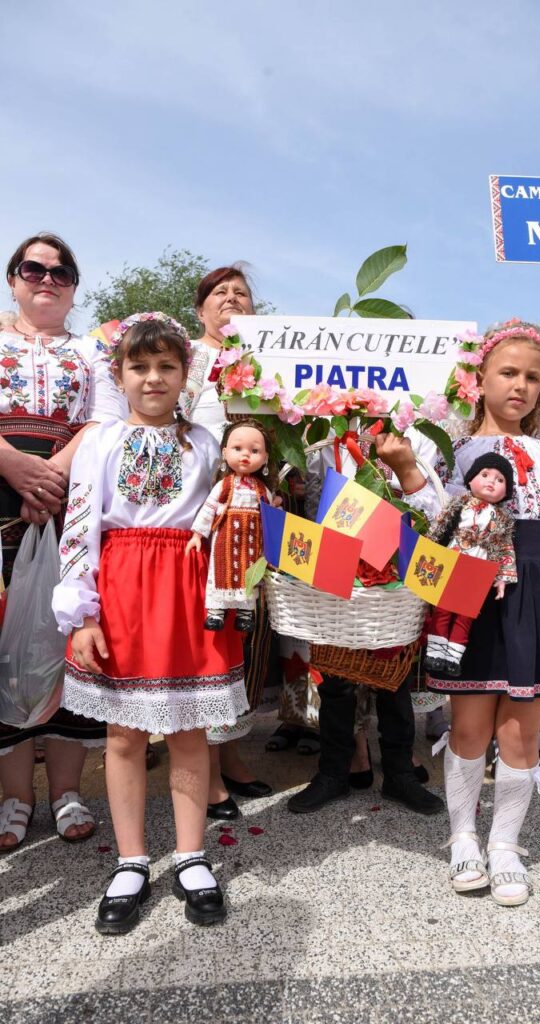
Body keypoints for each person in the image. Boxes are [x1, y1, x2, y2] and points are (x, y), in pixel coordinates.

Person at [377, 318, 540, 906]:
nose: (520, 386)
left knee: (520, 729)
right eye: (508, 372)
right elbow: (438, 517)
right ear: (479, 378)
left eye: (533, 378)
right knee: (471, 724)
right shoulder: (454, 450)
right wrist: (405, 469)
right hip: (473, 594)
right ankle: (462, 837)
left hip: (539, 591)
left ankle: (504, 845)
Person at [52, 312, 248, 934]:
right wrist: (83, 613)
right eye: (140, 367)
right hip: (124, 587)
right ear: (120, 374)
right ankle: (133, 859)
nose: (154, 378)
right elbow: (81, 527)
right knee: (123, 734)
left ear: (185, 374)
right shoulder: (103, 441)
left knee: (189, 729)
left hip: (189, 588)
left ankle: (191, 856)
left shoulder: (207, 444)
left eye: (167, 366)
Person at [0, 233, 126, 852]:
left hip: (71, 501)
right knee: (5, 643)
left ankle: (68, 792)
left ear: (74, 286)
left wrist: (50, 475)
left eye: (61, 271)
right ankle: (15, 797)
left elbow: (104, 419)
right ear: (13, 279)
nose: (47, 279)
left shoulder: (93, 353)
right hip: (0, 496)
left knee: (70, 637)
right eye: (34, 268)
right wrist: (11, 464)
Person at [287, 439, 445, 818]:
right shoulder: (325, 436)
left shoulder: (410, 435)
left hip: (393, 580)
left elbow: (433, 513)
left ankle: (399, 774)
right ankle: (333, 773)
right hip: (333, 571)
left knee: (394, 680)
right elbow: (311, 500)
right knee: (336, 682)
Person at [179, 265, 272, 814]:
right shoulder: (186, 358)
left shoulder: (265, 364)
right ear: (200, 309)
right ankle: (205, 768)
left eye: (241, 294)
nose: (232, 300)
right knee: (205, 636)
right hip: (197, 511)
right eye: (220, 293)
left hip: (252, 515)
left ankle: (232, 751)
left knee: (246, 635)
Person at [423, 453, 516, 678]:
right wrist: (426, 548)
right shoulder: (460, 504)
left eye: (500, 480)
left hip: (478, 570)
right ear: (471, 480)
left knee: (465, 615)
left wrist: (502, 578)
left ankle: (454, 656)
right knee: (443, 609)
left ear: (506, 491)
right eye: (485, 475)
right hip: (452, 562)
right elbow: (439, 526)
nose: (491, 482)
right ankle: (436, 653)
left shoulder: (501, 518)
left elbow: (505, 548)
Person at [186, 419, 275, 632]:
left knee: (248, 576)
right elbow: (209, 508)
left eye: (254, 450)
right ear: (224, 452)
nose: (245, 455)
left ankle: (245, 614)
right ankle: (216, 612)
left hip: (252, 543)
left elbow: (270, 516)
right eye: (238, 448)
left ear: (265, 458)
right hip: (225, 538)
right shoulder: (224, 485)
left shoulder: (261, 489)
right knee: (220, 572)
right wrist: (198, 534)